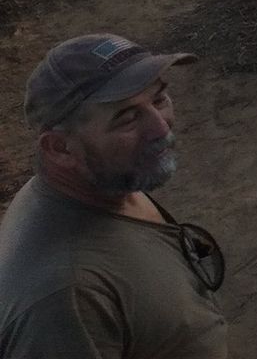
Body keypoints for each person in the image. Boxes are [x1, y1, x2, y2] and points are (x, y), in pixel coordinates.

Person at [0, 34, 226, 357]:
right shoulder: (67, 297)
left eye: (159, 99)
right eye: (127, 117)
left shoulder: (106, 184)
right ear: (61, 148)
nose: (162, 128)